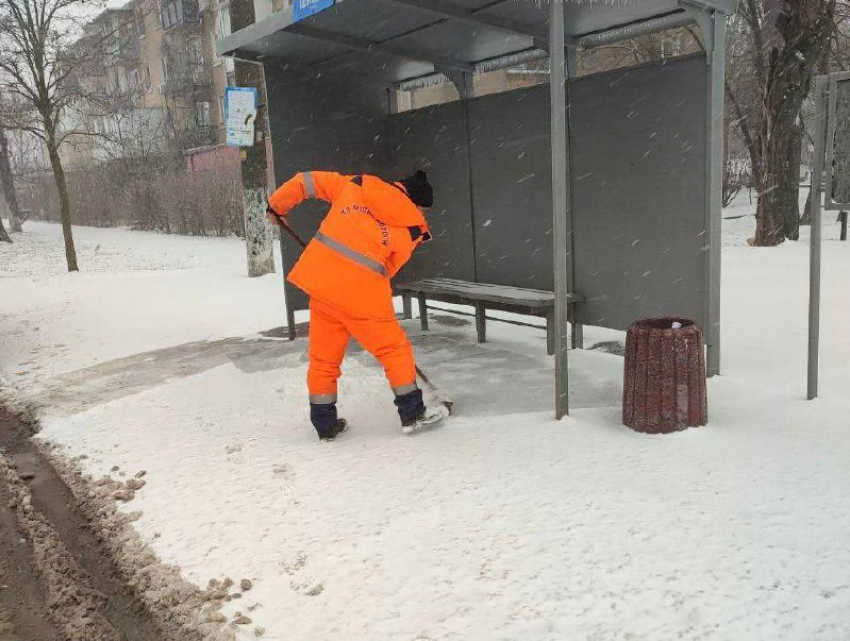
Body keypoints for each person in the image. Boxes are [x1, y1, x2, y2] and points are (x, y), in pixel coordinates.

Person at [266, 169, 444, 440]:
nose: (422, 213)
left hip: (323, 286)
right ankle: (413, 414)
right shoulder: (412, 228)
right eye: (423, 209)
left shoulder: (356, 185)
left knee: (323, 359)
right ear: (416, 202)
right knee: (393, 350)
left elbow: (306, 181)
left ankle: (325, 425)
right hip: (364, 295)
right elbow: (389, 267)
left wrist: (277, 206)